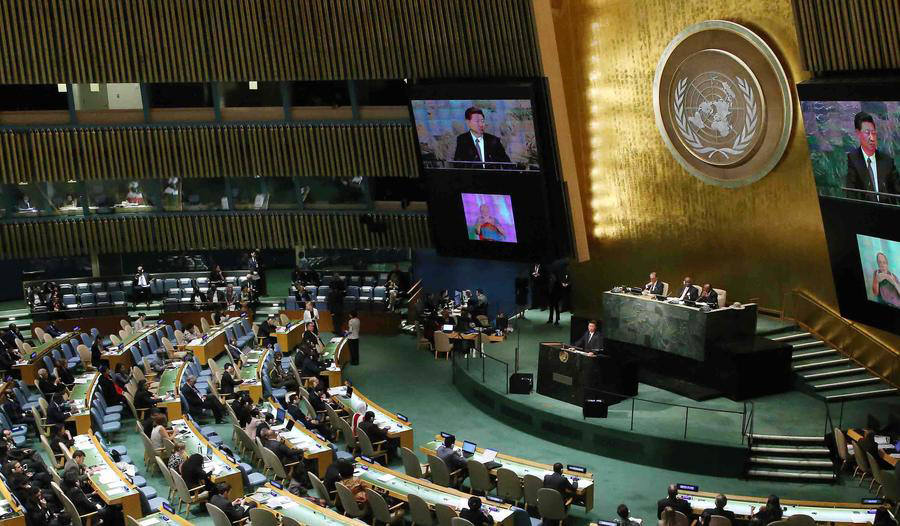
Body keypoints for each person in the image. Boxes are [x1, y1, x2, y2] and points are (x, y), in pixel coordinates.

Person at [846, 111, 900, 204]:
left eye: (873, 133)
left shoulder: (887, 161)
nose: (872, 138)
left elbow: (897, 189)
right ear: (858, 133)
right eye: (867, 133)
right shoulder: (852, 159)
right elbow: (851, 194)